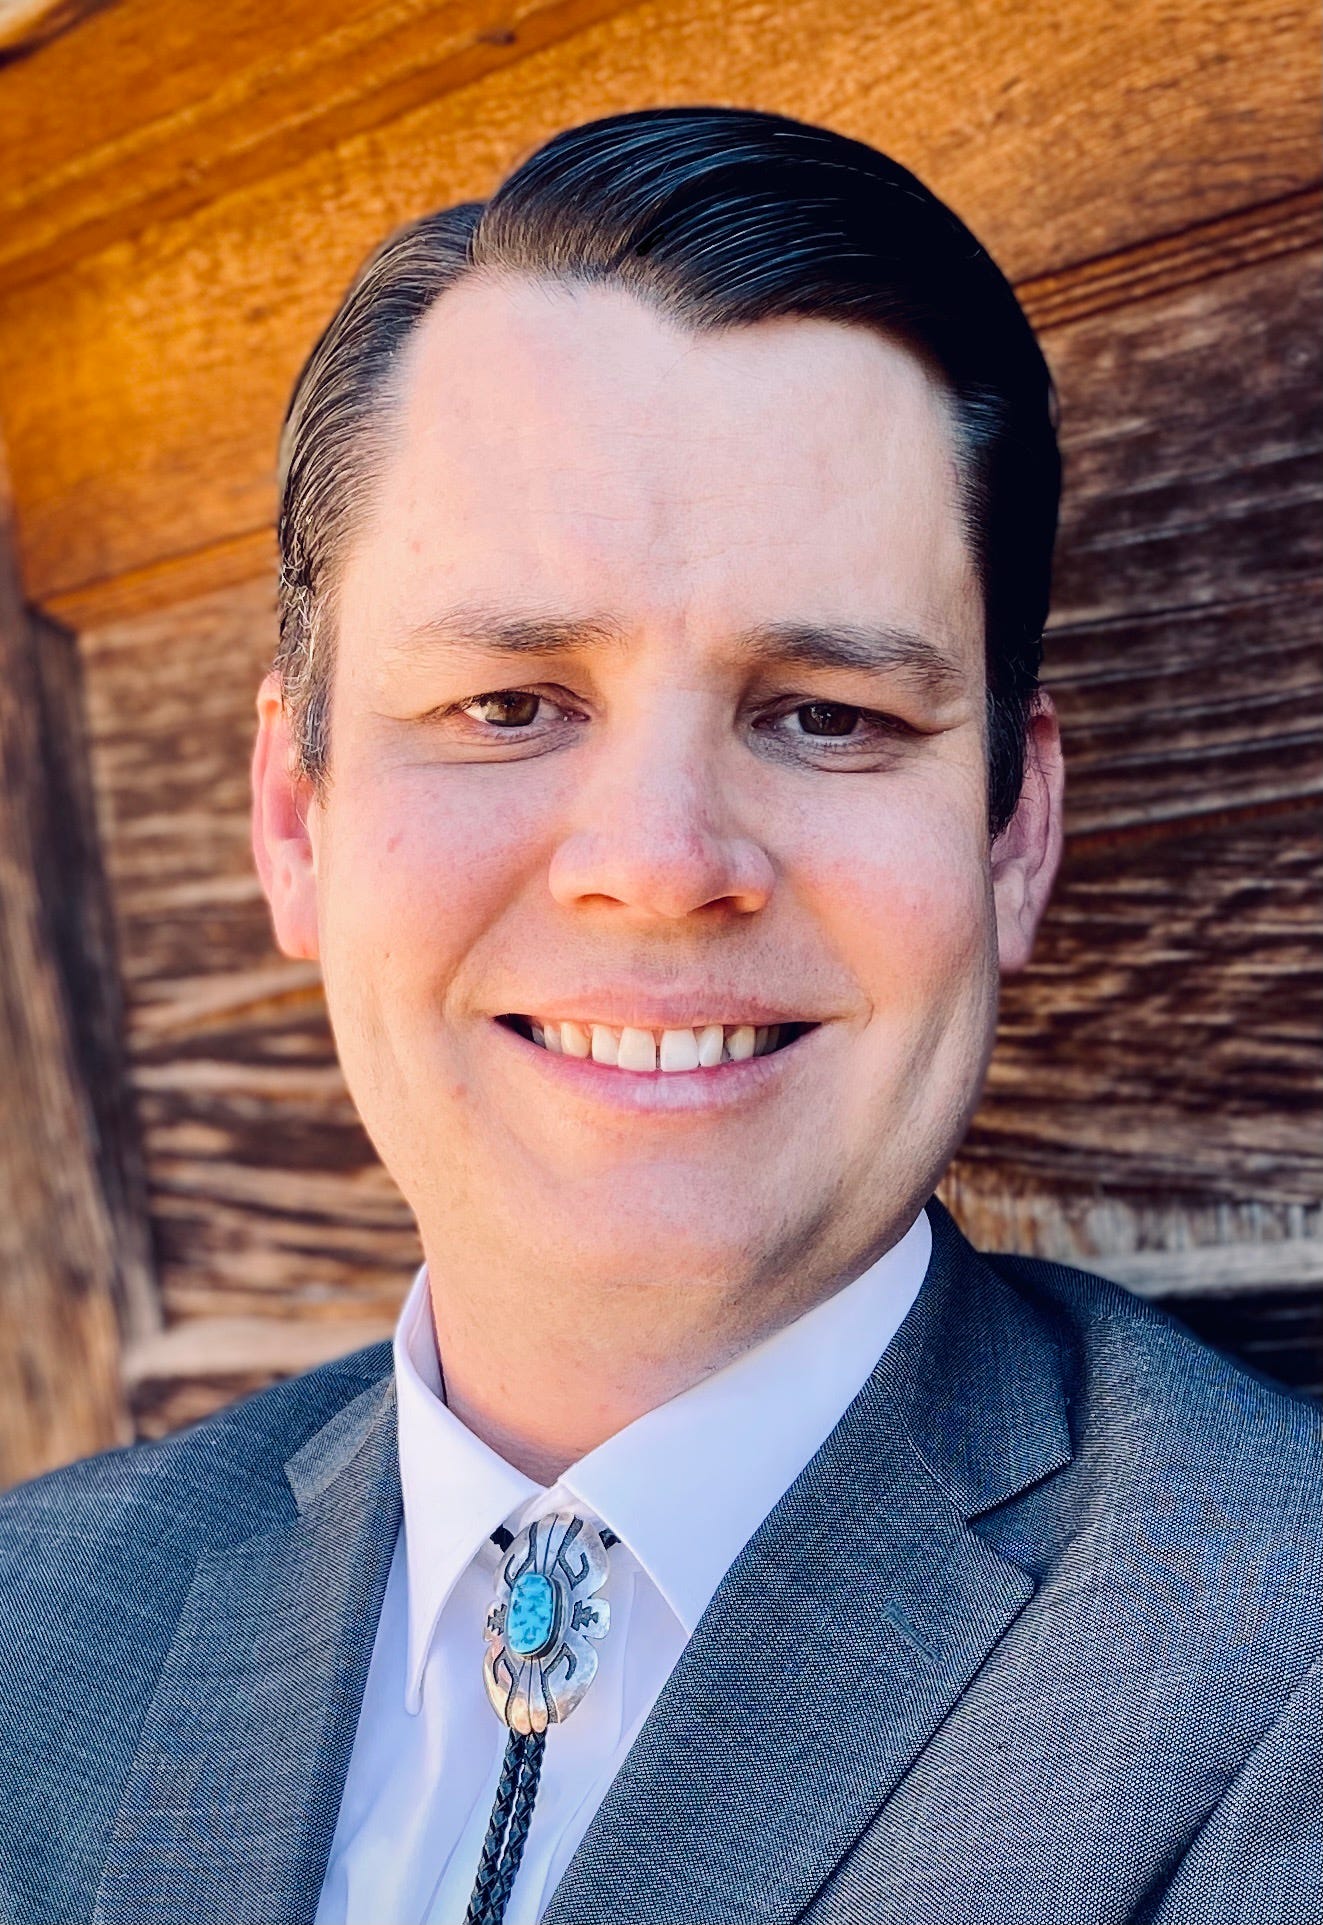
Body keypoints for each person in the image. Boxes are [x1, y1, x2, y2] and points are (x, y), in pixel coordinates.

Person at [1, 106, 1318, 1925]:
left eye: (829, 715)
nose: (663, 862)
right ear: (295, 820)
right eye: (510, 704)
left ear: (1014, 837)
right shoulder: (33, 1628)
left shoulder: (1280, 1664)